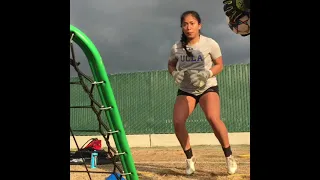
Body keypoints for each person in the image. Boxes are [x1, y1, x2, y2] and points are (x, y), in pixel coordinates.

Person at [167, 10, 238, 175]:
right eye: (185, 24)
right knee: (178, 122)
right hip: (186, 89)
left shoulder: (210, 43)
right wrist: (174, 73)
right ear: (181, 27)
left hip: (207, 86)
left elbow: (219, 64)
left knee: (213, 118)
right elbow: (171, 64)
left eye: (192, 23)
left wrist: (207, 73)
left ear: (199, 25)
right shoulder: (177, 47)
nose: (188, 27)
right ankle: (190, 159)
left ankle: (229, 156)